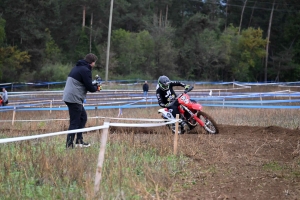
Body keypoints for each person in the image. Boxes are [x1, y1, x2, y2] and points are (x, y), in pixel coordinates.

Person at [63, 53, 101, 148]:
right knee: (75, 121)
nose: (94, 65)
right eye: (94, 63)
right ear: (92, 62)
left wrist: (93, 85)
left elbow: (84, 83)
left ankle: (79, 141)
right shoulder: (86, 70)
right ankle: (69, 144)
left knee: (82, 117)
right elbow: (89, 87)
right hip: (74, 98)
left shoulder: (79, 67)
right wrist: (97, 88)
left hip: (71, 97)